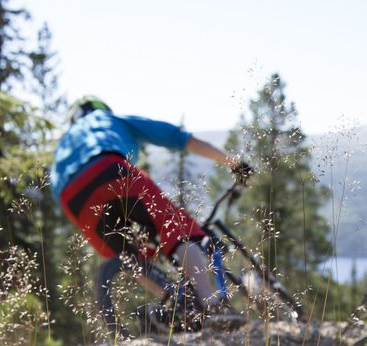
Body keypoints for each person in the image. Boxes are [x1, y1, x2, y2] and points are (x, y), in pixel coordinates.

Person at [50, 96, 251, 331]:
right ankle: (210, 306)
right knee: (176, 228)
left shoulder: (63, 145)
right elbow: (177, 137)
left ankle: (179, 304)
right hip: (109, 167)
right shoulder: (112, 120)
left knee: (129, 257)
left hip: (72, 199)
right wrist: (234, 163)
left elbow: (57, 192)